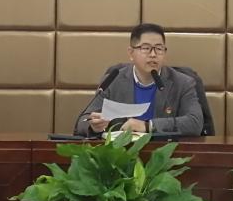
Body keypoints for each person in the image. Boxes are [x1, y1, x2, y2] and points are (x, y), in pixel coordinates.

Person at [73, 23, 203, 137]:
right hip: (122, 153)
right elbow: (82, 122)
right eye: (146, 48)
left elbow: (195, 123)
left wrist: (148, 126)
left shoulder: (182, 83)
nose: (153, 54)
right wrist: (94, 126)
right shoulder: (113, 81)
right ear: (131, 53)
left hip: (164, 153)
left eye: (159, 48)